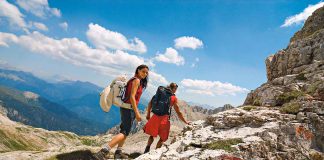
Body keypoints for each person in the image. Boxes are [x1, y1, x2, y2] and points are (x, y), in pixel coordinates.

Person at [94, 64, 149, 160]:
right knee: (124, 132)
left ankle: (118, 153)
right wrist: (137, 113)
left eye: (146, 73)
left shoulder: (133, 79)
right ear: (138, 70)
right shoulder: (136, 80)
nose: (145, 74)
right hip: (129, 109)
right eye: (143, 71)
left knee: (124, 130)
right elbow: (132, 97)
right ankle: (103, 152)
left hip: (125, 107)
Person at [143, 82, 190, 153]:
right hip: (164, 120)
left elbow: (150, 103)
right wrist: (185, 121)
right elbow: (178, 112)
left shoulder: (159, 93)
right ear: (173, 89)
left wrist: (148, 114)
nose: (175, 91)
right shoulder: (173, 98)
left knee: (152, 135)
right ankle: (154, 153)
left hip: (155, 117)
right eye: (175, 89)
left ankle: (147, 149)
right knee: (162, 138)